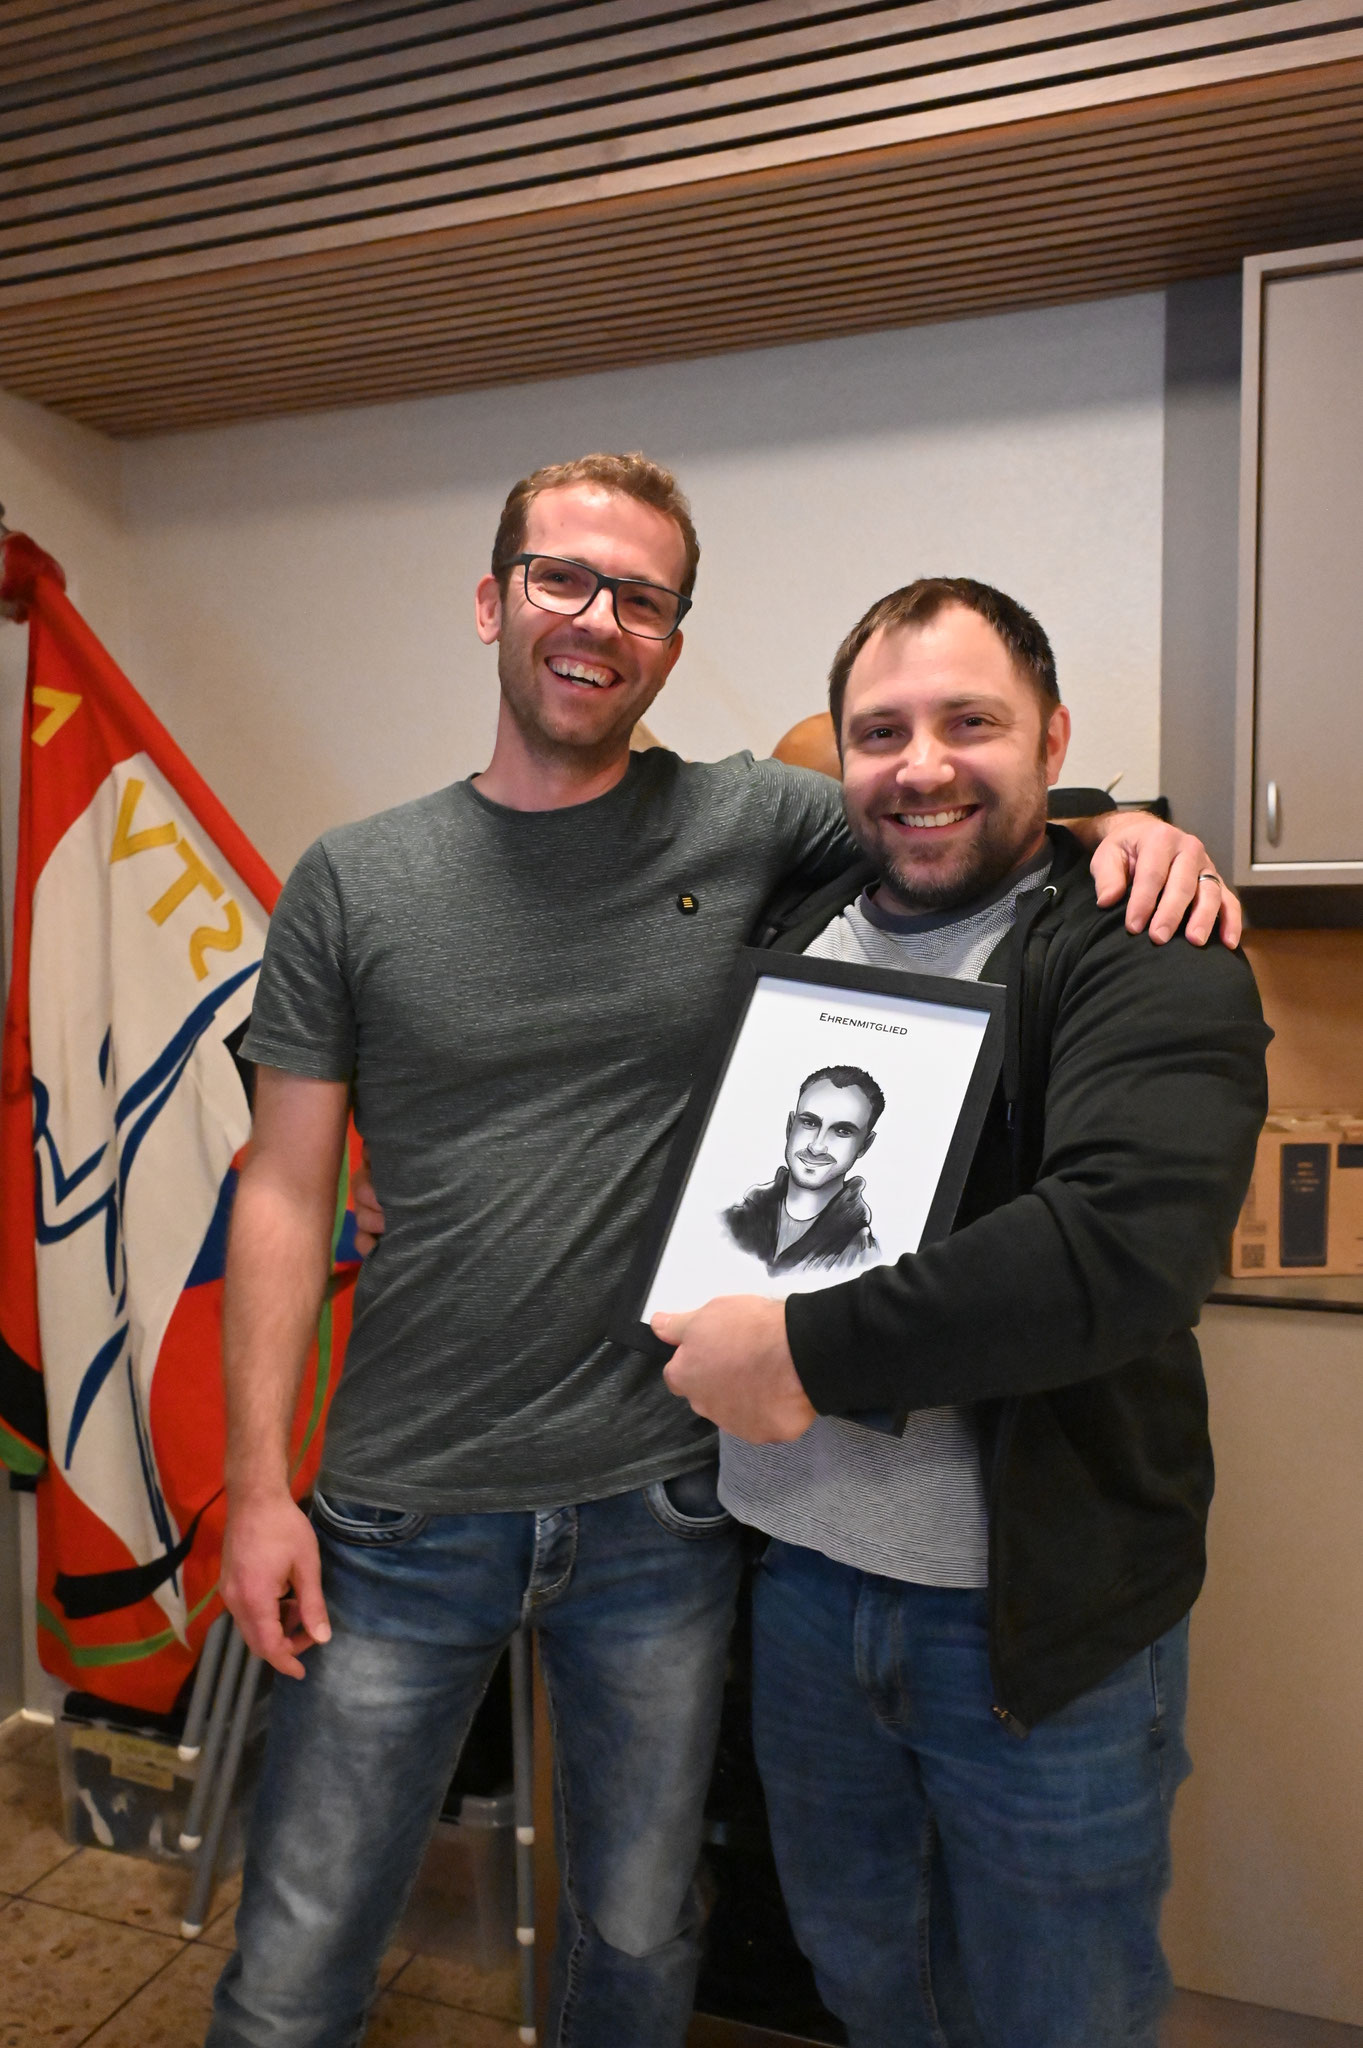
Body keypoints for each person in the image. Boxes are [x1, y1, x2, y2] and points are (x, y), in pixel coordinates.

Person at [211, 452, 1240, 2048]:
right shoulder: (365, 878)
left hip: (675, 1509)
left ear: (672, 641)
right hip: (428, 1501)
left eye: (641, 597)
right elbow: (281, 1186)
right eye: (560, 579)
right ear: (491, 601)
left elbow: (943, 797)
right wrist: (258, 1486)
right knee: (302, 1954)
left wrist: (1129, 827)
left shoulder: (765, 831)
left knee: (653, 1935)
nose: (595, 619)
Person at [655, 577, 1270, 2048]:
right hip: (802, 1588)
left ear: (1051, 737)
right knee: (867, 1977)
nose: (919, 765)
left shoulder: (1142, 941)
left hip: (1026, 1627)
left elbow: (1121, 1245)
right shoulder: (799, 918)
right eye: (882, 732)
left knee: (1057, 2011)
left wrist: (802, 1351)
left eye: (970, 722)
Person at [723, 1064, 883, 1274]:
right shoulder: (734, 1220)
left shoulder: (861, 1253)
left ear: (864, 1145)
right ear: (790, 1126)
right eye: (809, 1123)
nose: (817, 1146)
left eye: (843, 1131)